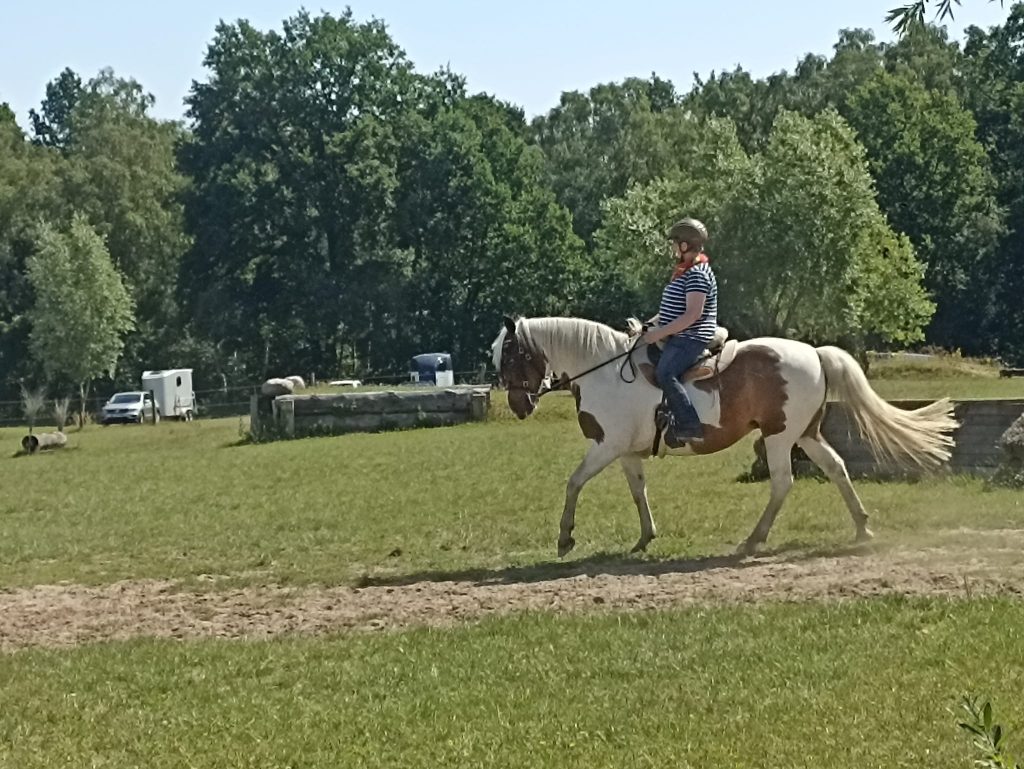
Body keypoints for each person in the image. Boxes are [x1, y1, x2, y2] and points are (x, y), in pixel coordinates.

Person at [642, 217, 718, 444]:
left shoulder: (697, 274)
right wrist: (649, 325)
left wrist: (659, 333)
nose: (673, 247)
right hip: (678, 333)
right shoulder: (685, 271)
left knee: (665, 373)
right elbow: (672, 309)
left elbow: (692, 315)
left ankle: (690, 424)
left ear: (685, 245)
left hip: (691, 337)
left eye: (675, 243)